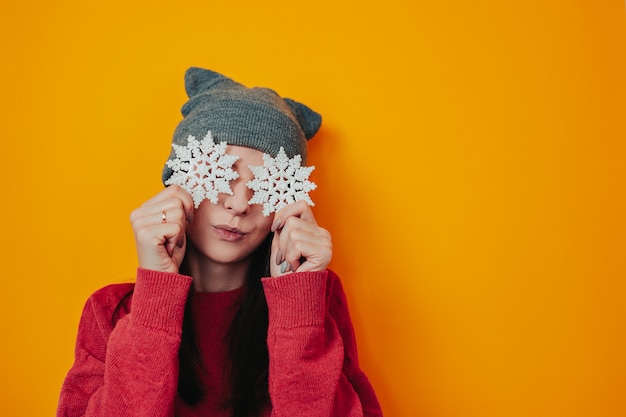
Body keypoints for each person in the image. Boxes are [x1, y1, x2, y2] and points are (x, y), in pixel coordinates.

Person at [57, 67, 383, 417]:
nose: (240, 204)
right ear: (177, 183)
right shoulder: (110, 310)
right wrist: (156, 295)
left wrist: (297, 299)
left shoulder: (316, 298)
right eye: (221, 174)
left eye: (265, 185)